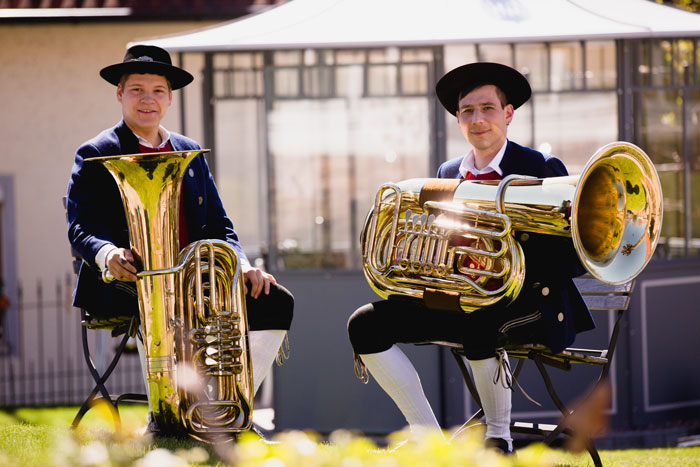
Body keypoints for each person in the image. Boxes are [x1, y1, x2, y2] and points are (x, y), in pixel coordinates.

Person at [347, 62, 594, 454]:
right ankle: (427, 440)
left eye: (487, 108)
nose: (477, 119)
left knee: (481, 318)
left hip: (534, 303)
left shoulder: (541, 169)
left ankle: (499, 438)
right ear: (459, 120)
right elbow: (443, 246)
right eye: (467, 111)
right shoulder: (448, 172)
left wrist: (507, 258)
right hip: (465, 300)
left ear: (508, 114)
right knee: (365, 324)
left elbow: (575, 259)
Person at [66, 44, 294, 436]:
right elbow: (80, 227)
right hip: (130, 281)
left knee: (274, 302)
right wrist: (107, 255)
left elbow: (220, 224)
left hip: (195, 278)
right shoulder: (96, 152)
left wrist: (242, 265)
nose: (147, 99)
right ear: (119, 94)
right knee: (158, 299)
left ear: (170, 98)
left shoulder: (189, 152)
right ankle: (165, 416)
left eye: (157, 90)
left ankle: (230, 413)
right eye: (136, 89)